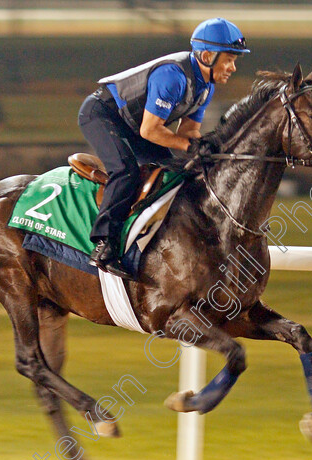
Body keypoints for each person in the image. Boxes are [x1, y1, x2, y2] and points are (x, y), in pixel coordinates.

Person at [78, 17, 249, 279]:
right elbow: (150, 131)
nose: (233, 67)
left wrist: (202, 146)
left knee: (174, 176)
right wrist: (190, 145)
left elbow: (187, 132)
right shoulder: (173, 76)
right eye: (229, 59)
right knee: (125, 171)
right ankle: (104, 245)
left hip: (134, 124)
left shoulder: (206, 86)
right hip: (102, 114)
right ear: (206, 56)